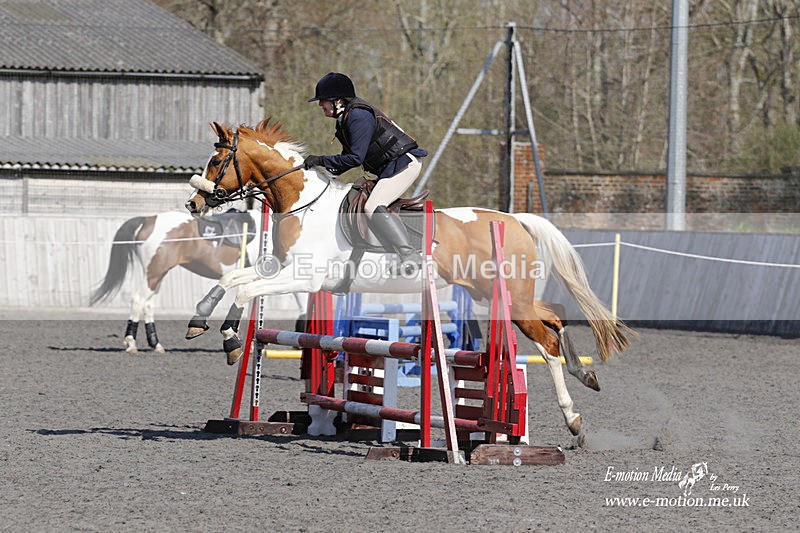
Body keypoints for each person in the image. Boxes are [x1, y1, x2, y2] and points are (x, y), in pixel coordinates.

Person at [305, 72, 428, 273]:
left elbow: (355, 159)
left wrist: (321, 160)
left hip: (404, 163)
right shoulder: (344, 119)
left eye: (323, 101)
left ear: (338, 100)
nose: (320, 105)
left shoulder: (358, 116)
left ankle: (410, 255)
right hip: (390, 166)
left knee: (373, 206)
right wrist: (320, 171)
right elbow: (346, 159)